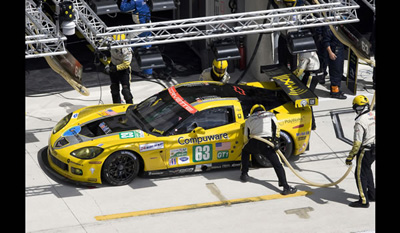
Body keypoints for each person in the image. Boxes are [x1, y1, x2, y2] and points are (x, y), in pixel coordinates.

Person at [240, 104, 297, 195]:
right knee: (278, 164)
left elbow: (246, 136)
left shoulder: (249, 119)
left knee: (245, 151)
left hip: (254, 141)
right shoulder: (270, 115)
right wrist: (276, 141)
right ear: (263, 109)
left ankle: (244, 174)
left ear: (252, 111)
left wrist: (248, 145)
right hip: (267, 143)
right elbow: (276, 129)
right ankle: (286, 187)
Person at [345, 95, 375, 208]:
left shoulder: (360, 121)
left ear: (358, 108)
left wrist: (350, 157)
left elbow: (357, 143)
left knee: (360, 175)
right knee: (367, 170)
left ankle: (363, 200)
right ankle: (372, 194)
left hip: (366, 151)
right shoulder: (373, 114)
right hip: (374, 149)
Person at [118, 0, 153, 77]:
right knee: (146, 49)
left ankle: (121, 69)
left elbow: (123, 8)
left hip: (140, 28)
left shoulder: (135, 1)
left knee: (126, 46)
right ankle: (147, 73)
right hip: (148, 26)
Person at [104, 34, 134, 104]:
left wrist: (115, 68)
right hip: (113, 66)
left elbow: (126, 64)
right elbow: (101, 39)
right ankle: (116, 105)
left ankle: (130, 105)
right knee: (114, 89)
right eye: (114, 43)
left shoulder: (127, 50)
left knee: (126, 91)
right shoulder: (110, 43)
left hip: (123, 71)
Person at [322, 26, 347, 99]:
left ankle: (337, 89)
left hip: (340, 50)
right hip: (334, 52)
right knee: (335, 72)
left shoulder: (339, 27)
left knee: (339, 71)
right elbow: (326, 42)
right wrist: (330, 53)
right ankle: (335, 92)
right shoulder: (329, 28)